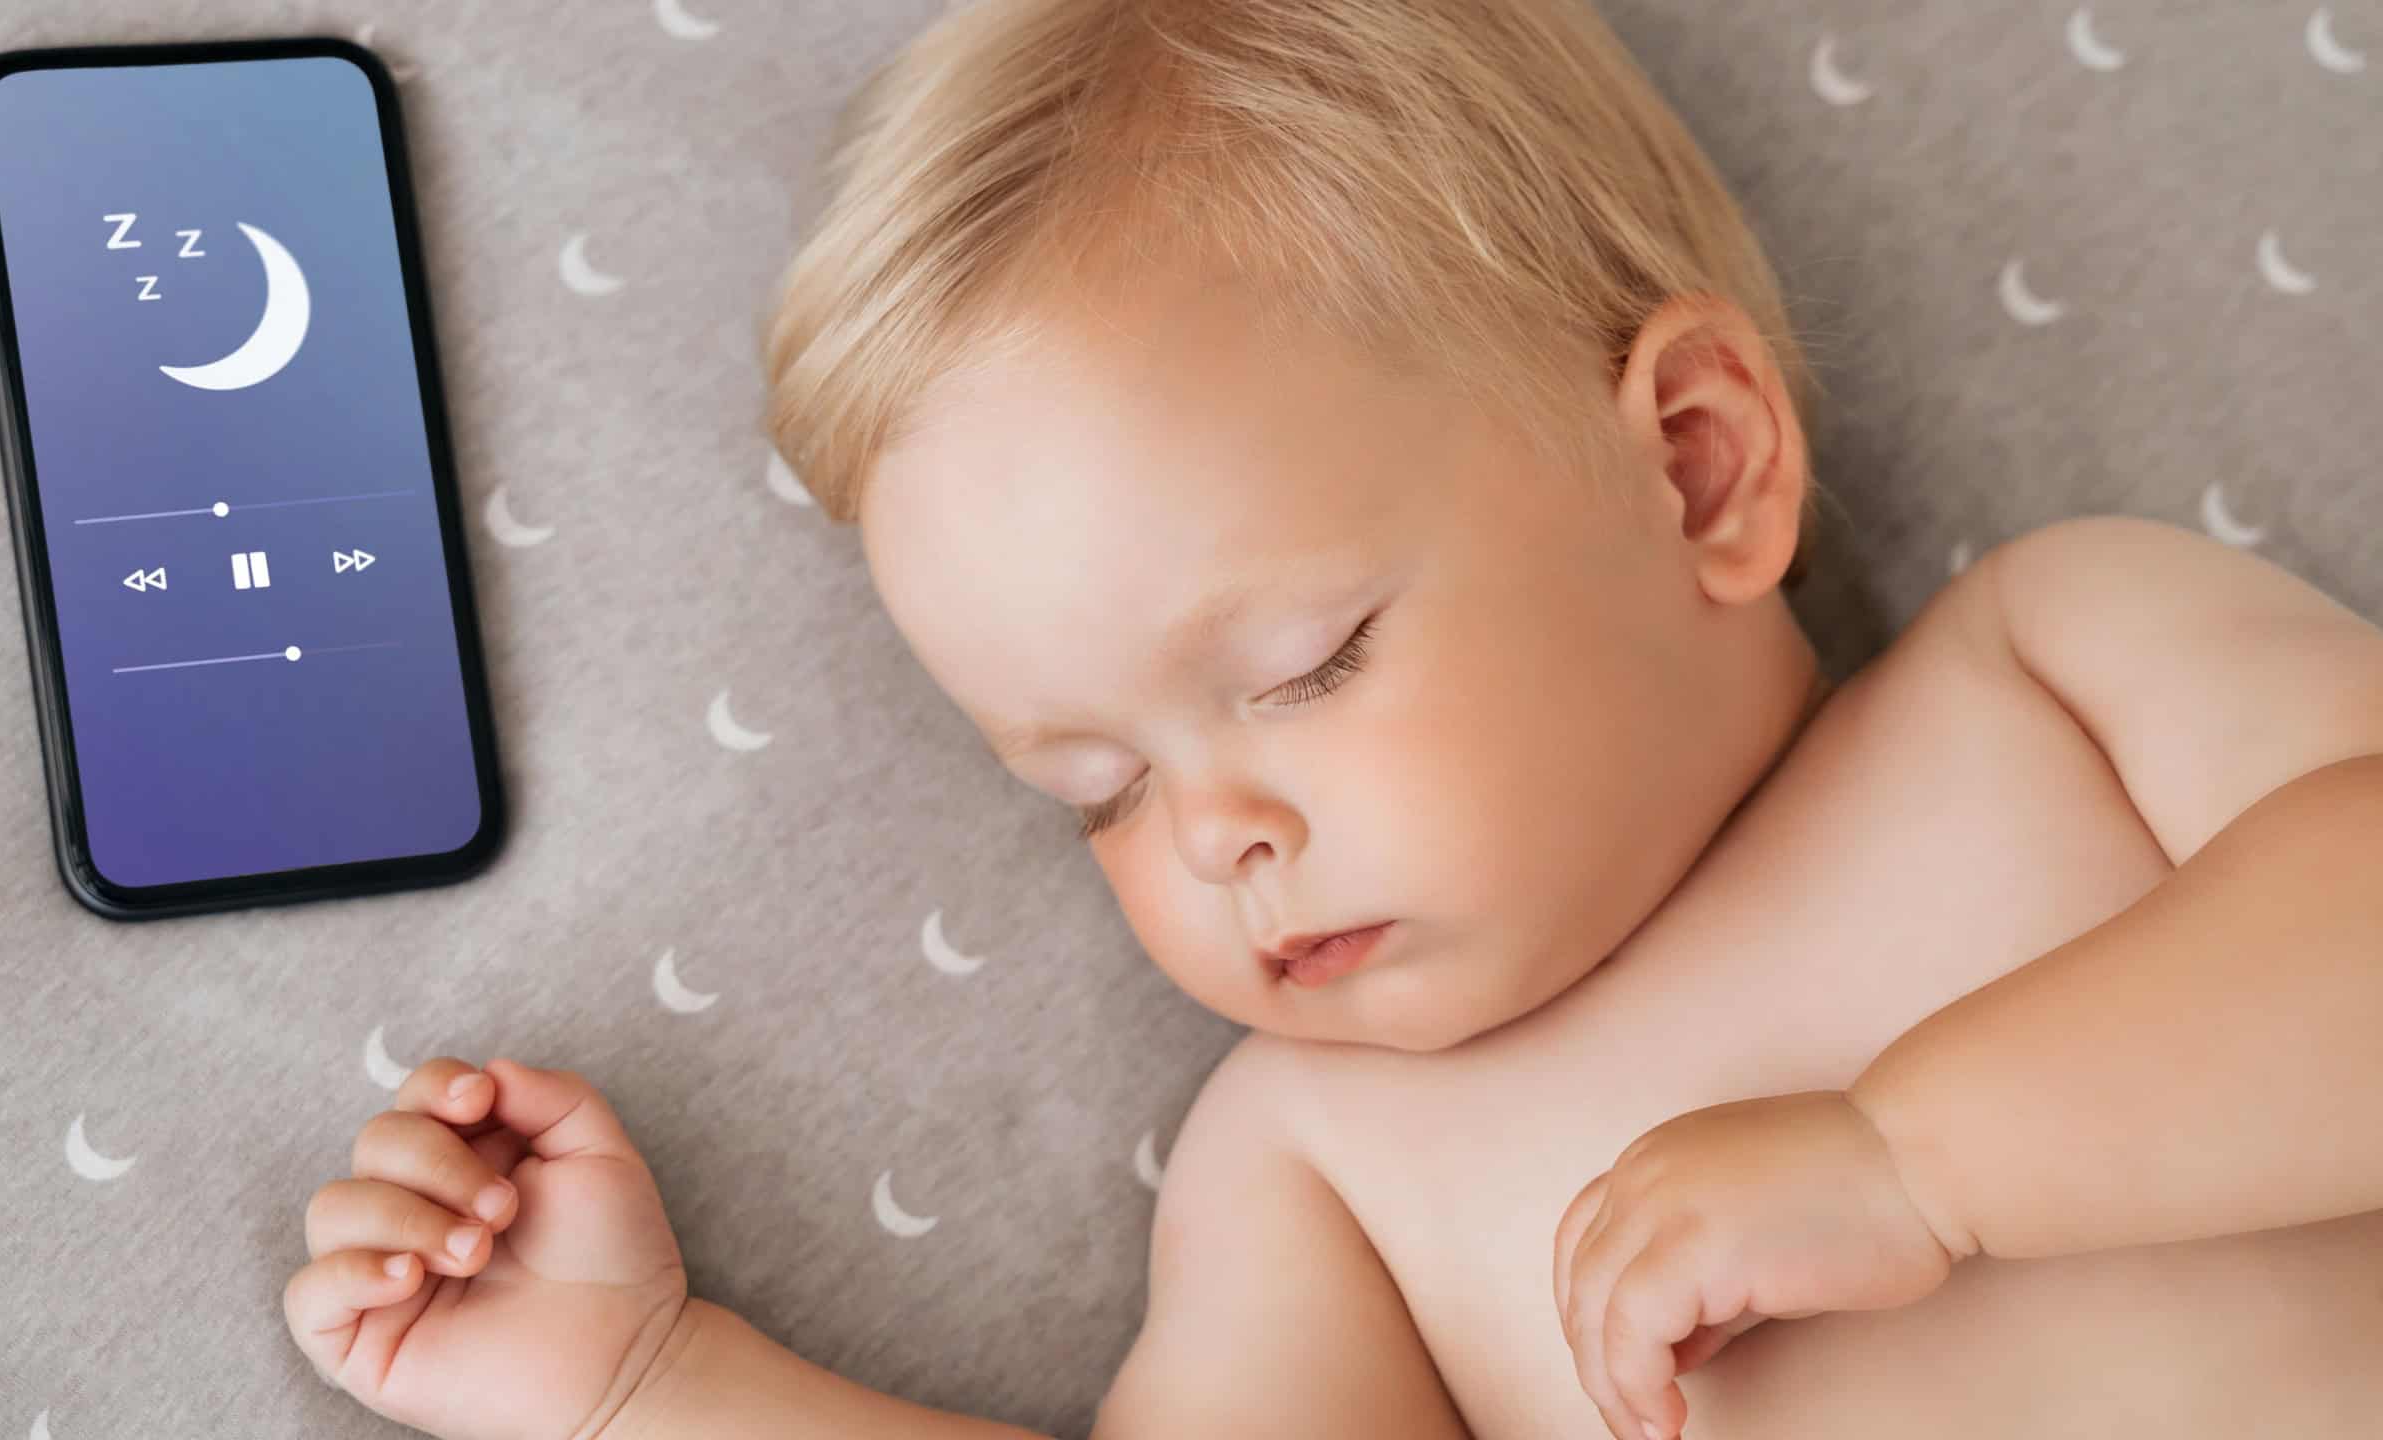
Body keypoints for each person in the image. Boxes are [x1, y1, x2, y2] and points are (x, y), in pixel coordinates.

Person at [282, 1, 2383, 1436]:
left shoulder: (2057, 672)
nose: (1212, 835)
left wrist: (1920, 1165)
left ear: (1693, 467)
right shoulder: (1322, 1165)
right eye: (1085, 793)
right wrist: (648, 1386)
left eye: (1300, 666)